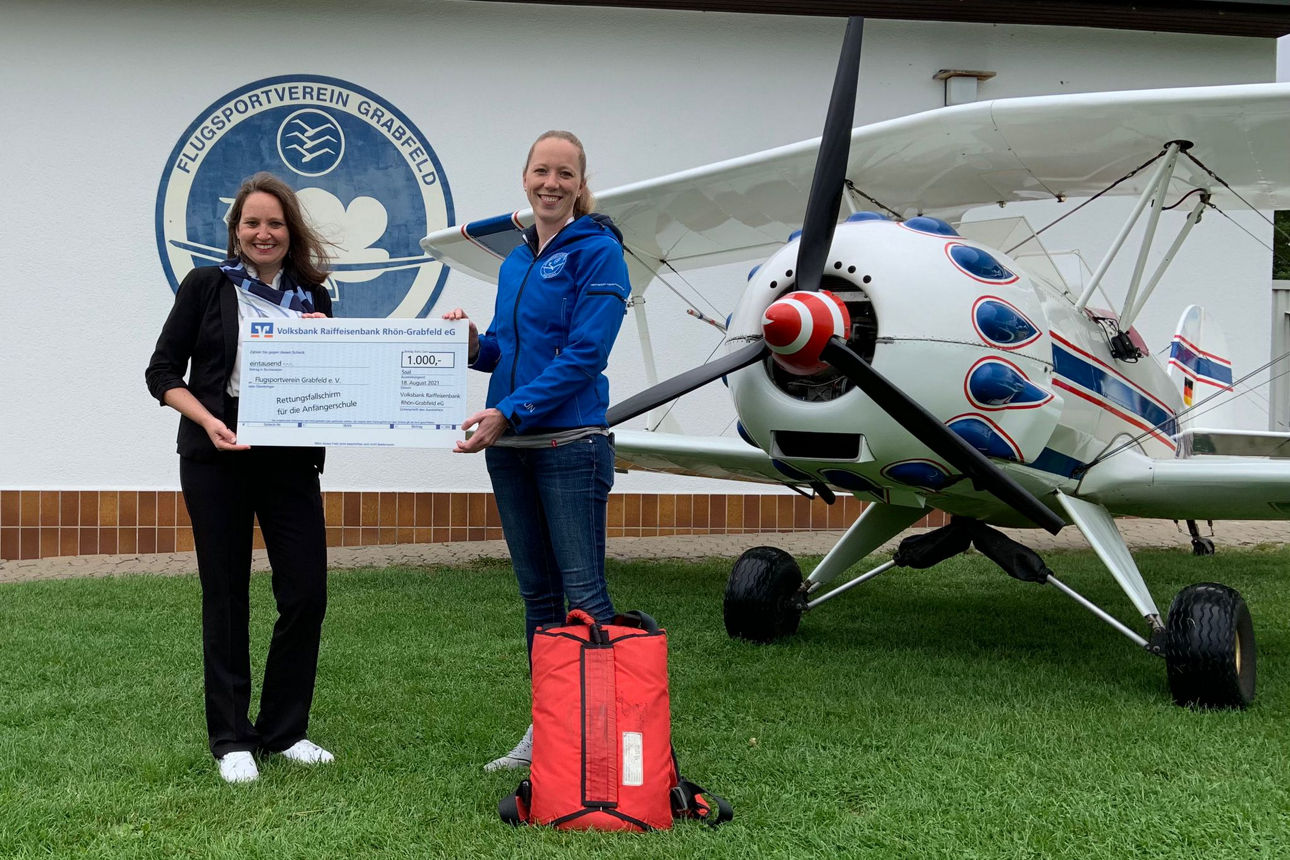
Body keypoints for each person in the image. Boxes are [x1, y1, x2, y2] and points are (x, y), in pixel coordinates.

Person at [443, 130, 632, 771]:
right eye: (540, 171)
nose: (551, 183)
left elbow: (586, 356)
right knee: (538, 599)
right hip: (512, 445)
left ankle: (603, 740)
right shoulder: (515, 261)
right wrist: (470, 345)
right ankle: (549, 732)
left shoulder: (600, 253)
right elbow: (501, 349)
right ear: (524, 177)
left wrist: (509, 412)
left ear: (581, 185)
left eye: (564, 174)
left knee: (585, 596)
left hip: (568, 445)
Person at [145, 172, 336, 784]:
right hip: (217, 457)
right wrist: (208, 422)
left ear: (291, 232)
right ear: (235, 231)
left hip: (289, 461)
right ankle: (232, 739)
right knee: (226, 595)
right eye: (252, 222)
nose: (263, 233)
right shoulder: (206, 285)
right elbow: (162, 372)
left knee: (306, 592)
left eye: (275, 223)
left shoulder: (315, 296)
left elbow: (334, 381)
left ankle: (285, 731)